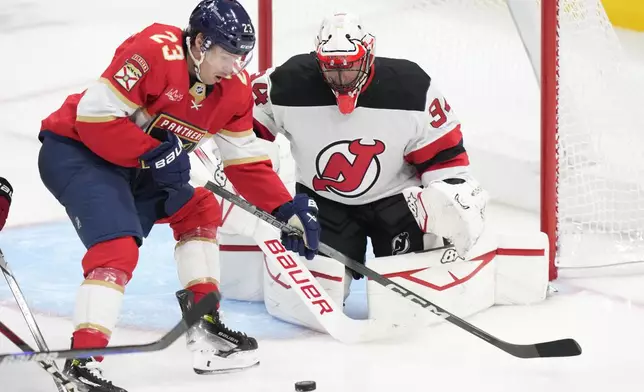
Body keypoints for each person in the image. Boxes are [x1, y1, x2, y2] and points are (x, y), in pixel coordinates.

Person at [37, 1, 320, 390]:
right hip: (78, 151)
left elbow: (246, 163)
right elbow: (94, 117)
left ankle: (203, 323)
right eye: (227, 55)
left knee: (200, 208)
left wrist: (285, 209)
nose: (234, 68)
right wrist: (152, 152)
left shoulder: (233, 92)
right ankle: (80, 362)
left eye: (241, 57)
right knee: (118, 248)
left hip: (138, 166)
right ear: (200, 43)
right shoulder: (154, 50)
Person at [251, 13, 487, 281]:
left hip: (397, 200)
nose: (341, 78)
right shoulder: (285, 84)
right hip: (322, 204)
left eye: (349, 66)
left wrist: (449, 198)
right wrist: (265, 194)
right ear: (318, 60)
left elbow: (445, 158)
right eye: (331, 68)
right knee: (324, 286)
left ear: (368, 55)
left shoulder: (412, 87)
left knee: (408, 290)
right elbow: (240, 133)